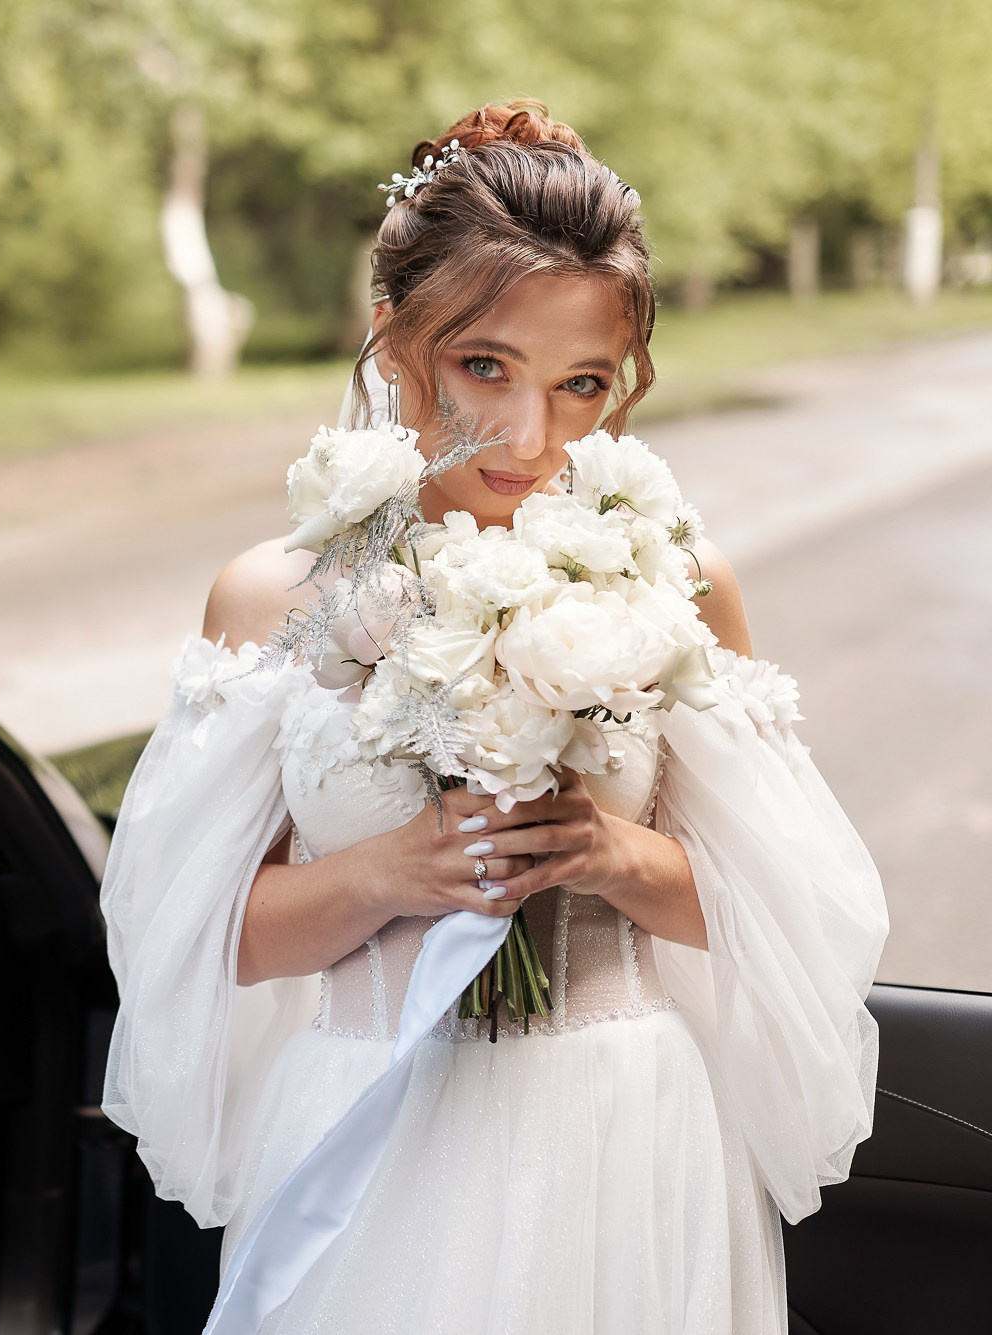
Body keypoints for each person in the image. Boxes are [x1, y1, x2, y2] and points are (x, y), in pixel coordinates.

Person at [99, 100, 888, 1334]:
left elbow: (788, 922)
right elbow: (202, 942)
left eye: (581, 385)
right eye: (485, 368)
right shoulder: (274, 598)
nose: (531, 437)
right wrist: (391, 872)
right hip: (370, 1142)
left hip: (625, 1136)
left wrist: (610, 854)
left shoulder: (675, 582)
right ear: (390, 339)